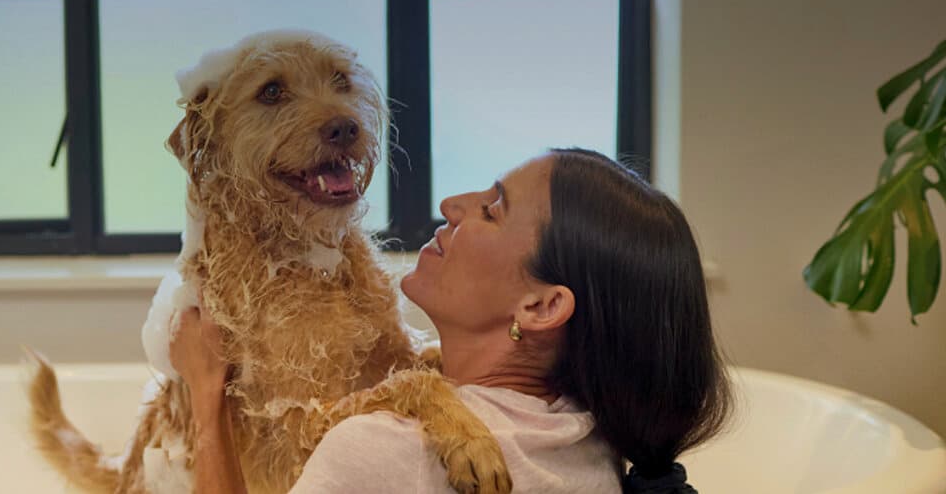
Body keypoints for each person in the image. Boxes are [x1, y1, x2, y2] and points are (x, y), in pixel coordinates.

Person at [170, 148, 732, 493]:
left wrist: (206, 393)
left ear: (540, 307)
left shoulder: (389, 451)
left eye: (491, 209)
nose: (451, 204)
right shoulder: (590, 436)